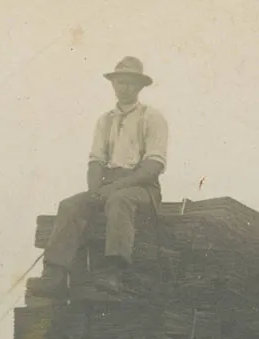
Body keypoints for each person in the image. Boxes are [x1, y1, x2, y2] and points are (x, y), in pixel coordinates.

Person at [35, 56, 169, 297]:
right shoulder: (105, 120)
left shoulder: (152, 117)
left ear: (140, 87)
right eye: (120, 82)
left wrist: (117, 187)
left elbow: (153, 165)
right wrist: (94, 189)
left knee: (120, 201)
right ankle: (54, 273)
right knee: (69, 205)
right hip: (107, 184)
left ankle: (113, 271)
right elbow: (96, 160)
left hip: (141, 187)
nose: (124, 88)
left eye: (130, 83)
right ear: (113, 85)